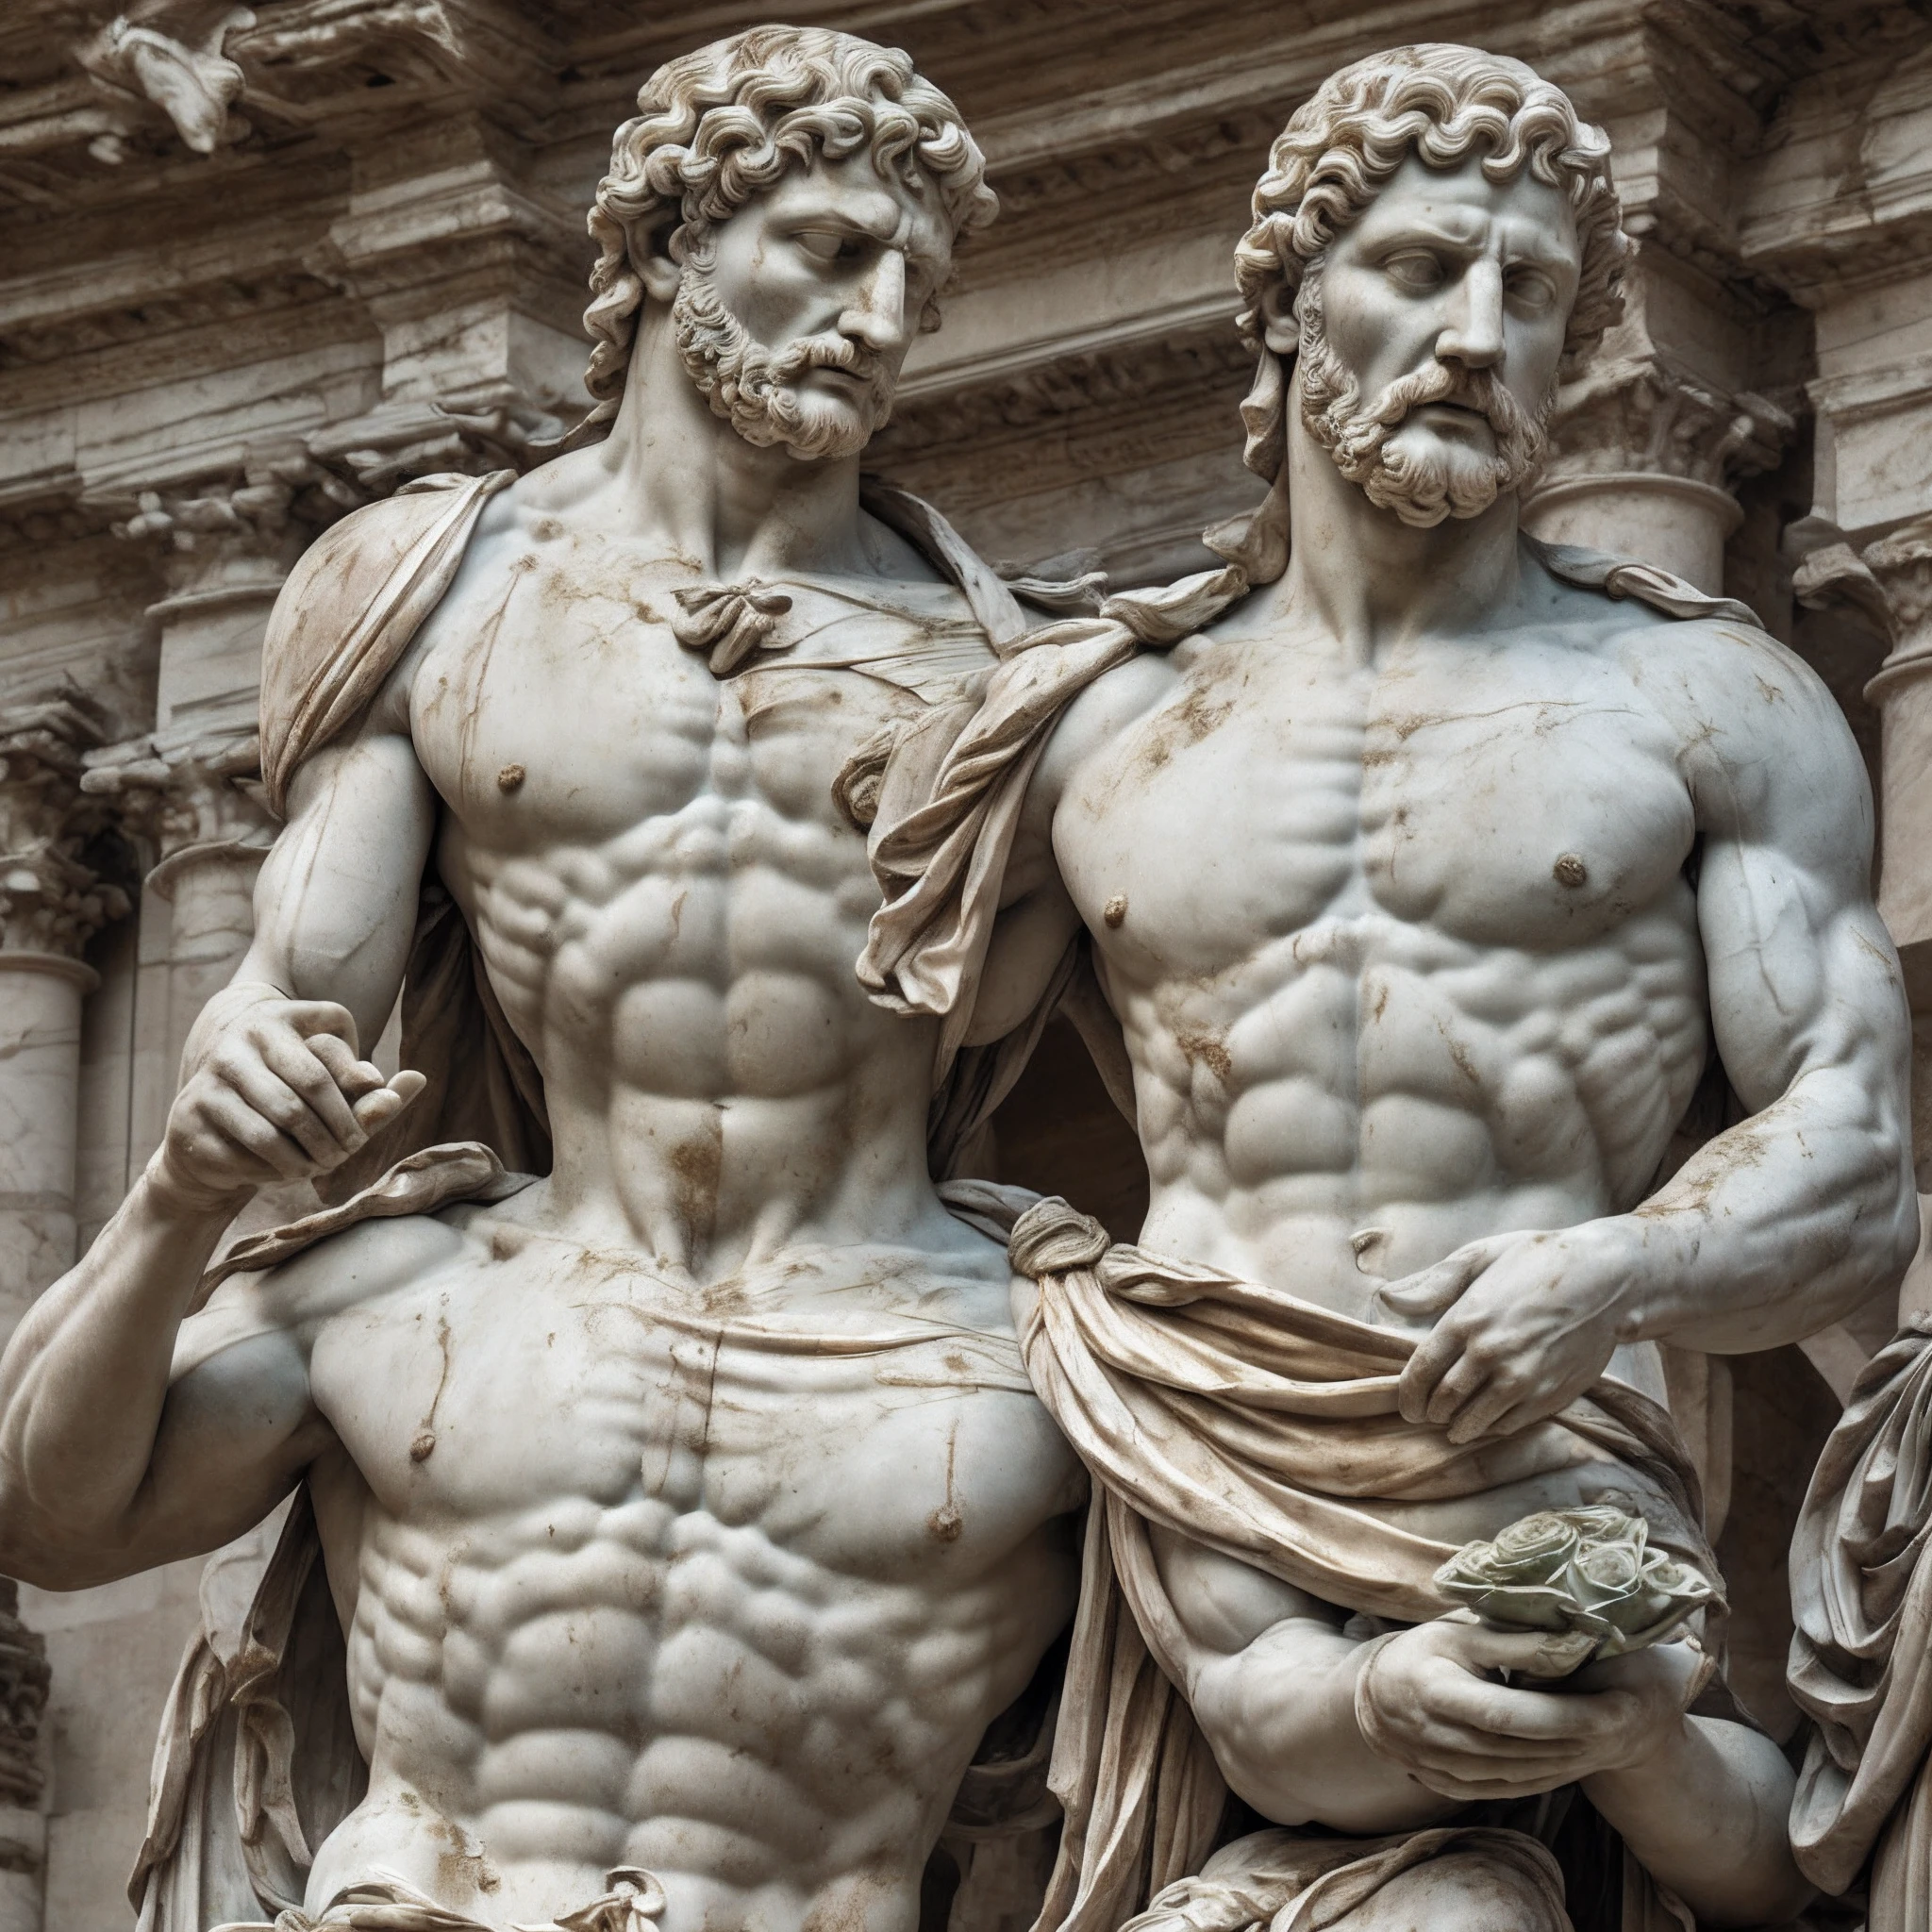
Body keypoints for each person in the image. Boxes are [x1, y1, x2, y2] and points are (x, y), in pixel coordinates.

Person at [0, 27, 1086, 1931]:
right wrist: (188, 1175)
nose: (879, 319)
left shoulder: (1005, 681)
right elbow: (297, 1001)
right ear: (668, 241)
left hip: (870, 1342)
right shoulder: (439, 589)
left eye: (914, 282)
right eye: (828, 251)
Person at [856, 43, 1915, 1931]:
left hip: (1538, 1452)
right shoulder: (1098, 721)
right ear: (1283, 303)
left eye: (1531, 294)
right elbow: (830, 1118)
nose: (1475, 332)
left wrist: (1616, 1269)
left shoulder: (1703, 699)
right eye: (1420, 269)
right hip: (1182, 1434)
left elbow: (1849, 1159)